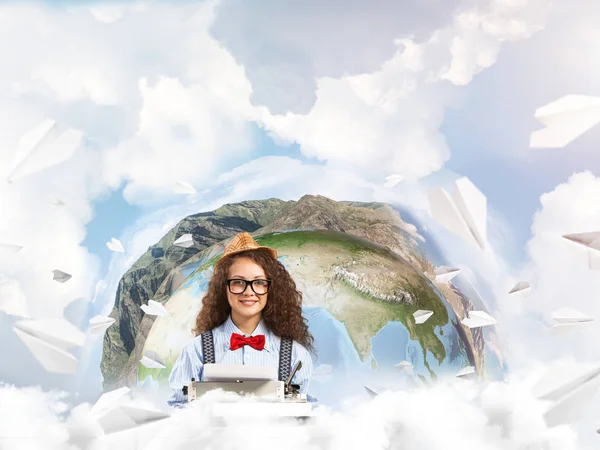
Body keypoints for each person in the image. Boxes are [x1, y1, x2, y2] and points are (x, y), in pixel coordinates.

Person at [167, 232, 315, 406]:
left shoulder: (296, 356)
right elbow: (179, 409)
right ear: (224, 287)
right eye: (238, 282)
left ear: (271, 289)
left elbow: (304, 416)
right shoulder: (196, 352)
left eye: (259, 282)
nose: (249, 291)